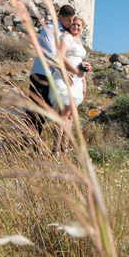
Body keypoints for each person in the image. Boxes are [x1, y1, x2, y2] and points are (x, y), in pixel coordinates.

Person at [27, 4, 81, 134]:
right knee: (35, 110)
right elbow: (50, 53)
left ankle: (34, 142)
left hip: (54, 78)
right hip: (41, 74)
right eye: (68, 20)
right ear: (60, 17)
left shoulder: (67, 34)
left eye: (72, 20)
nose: (70, 23)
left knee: (46, 111)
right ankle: (27, 143)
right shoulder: (49, 29)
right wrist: (63, 71)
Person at [47, 15, 88, 153]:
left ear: (82, 28)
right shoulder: (67, 37)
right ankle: (55, 149)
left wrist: (83, 81)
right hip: (66, 77)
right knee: (63, 114)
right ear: (70, 25)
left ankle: (64, 148)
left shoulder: (79, 42)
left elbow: (81, 63)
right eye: (74, 24)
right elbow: (61, 55)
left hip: (76, 80)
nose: (76, 27)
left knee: (70, 116)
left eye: (79, 25)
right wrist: (75, 71)